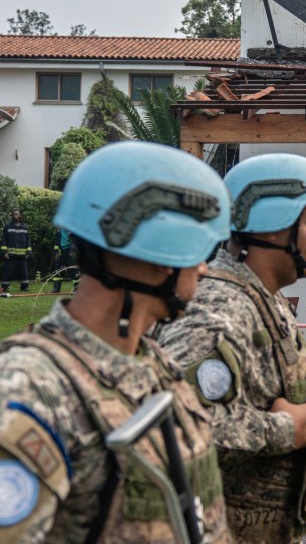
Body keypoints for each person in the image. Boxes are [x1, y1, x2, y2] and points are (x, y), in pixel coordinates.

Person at [0, 141, 233, 542]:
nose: (203, 267)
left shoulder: (150, 359)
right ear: (160, 253)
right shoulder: (33, 391)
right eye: (198, 250)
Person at [155, 153, 306, 544]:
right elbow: (174, 429)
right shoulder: (216, 311)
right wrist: (283, 430)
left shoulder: (265, 298)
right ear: (272, 226)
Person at [1, 209, 32, 296]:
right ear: (12, 216)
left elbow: (28, 240)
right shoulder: (7, 227)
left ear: (20, 216)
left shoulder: (25, 227)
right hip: (10, 255)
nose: (15, 216)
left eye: (17, 214)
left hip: (22, 255)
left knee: (24, 271)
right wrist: (4, 252)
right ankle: (5, 287)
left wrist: (28, 252)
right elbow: (4, 240)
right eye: (14, 214)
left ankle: (24, 287)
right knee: (7, 271)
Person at [49, 228, 79, 294]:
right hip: (60, 252)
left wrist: (72, 250)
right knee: (58, 270)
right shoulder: (59, 229)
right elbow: (57, 240)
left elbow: (75, 240)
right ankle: (56, 289)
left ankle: (77, 289)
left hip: (69, 252)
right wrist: (56, 252)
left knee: (73, 270)